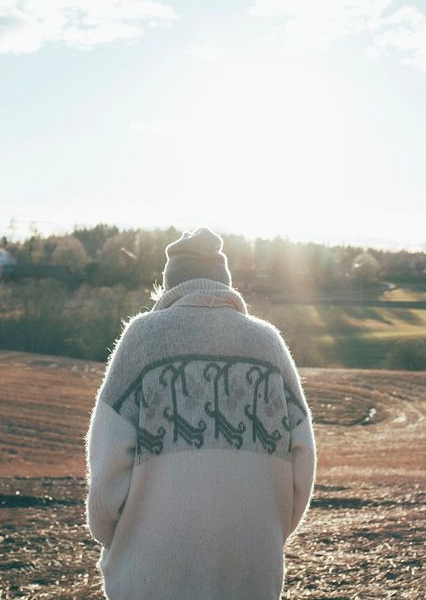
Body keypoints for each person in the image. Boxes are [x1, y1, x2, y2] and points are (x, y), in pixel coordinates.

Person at [85, 227, 317, 599]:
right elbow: (302, 459)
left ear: (170, 284)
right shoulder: (269, 343)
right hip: (252, 573)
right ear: (225, 284)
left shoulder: (142, 338)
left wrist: (111, 536)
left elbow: (108, 464)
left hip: (153, 576)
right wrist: (269, 534)